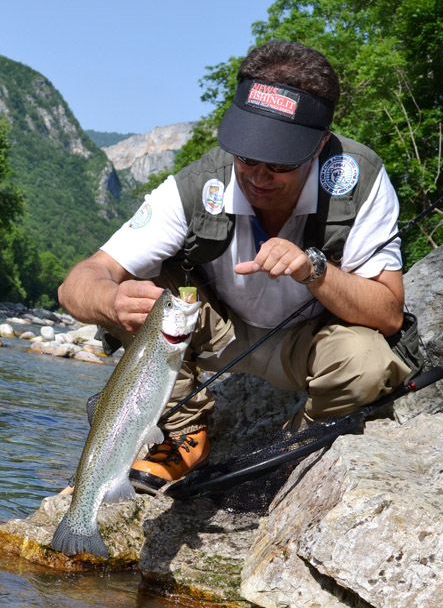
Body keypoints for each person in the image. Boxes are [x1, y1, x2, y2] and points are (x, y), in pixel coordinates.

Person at [58, 39, 417, 494]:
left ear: (319, 144)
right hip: (212, 328)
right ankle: (185, 431)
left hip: (309, 342)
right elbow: (78, 283)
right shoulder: (196, 183)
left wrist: (314, 270)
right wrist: (110, 299)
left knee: (366, 364)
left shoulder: (359, 179)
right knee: (141, 290)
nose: (257, 175)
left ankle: (294, 446)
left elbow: (388, 312)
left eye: (279, 161)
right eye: (246, 155)